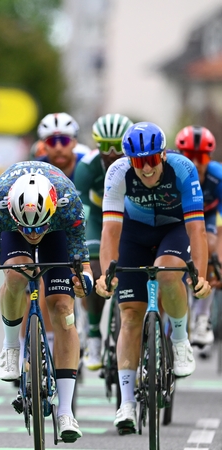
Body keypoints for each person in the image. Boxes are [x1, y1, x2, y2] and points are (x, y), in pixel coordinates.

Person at [94, 122, 212, 434]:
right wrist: (108, 272)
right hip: (134, 233)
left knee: (168, 271)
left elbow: (197, 229)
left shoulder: (182, 169)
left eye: (151, 160)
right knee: (130, 315)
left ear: (162, 155)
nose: (145, 168)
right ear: (128, 160)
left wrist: (198, 274)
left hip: (173, 229)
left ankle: (180, 336)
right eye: (137, 161)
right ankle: (127, 402)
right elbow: (110, 230)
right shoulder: (118, 173)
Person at [0, 160, 92, 443]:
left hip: (58, 231)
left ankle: (65, 410)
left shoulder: (69, 204)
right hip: (10, 229)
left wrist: (84, 280)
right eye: (28, 229)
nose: (33, 234)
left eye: (38, 228)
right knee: (15, 275)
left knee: (63, 308)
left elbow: (81, 259)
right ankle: (11, 346)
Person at [73, 113, 133, 370]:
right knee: (96, 268)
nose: (110, 153)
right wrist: (79, 241)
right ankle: (95, 332)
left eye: (117, 146)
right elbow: (81, 210)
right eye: (104, 145)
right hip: (98, 219)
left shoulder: (137, 162)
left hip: (130, 217)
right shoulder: (87, 166)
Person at [174, 125, 221, 354]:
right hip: (178, 218)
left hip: (209, 217)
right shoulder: (172, 172)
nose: (195, 162)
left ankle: (202, 317)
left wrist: (218, 257)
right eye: (189, 156)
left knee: (211, 247)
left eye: (201, 156)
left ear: (209, 158)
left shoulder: (217, 176)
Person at [36, 112, 88, 179]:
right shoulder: (35, 169)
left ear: (74, 143)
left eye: (64, 140)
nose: (58, 148)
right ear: (44, 145)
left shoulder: (89, 165)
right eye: (51, 141)